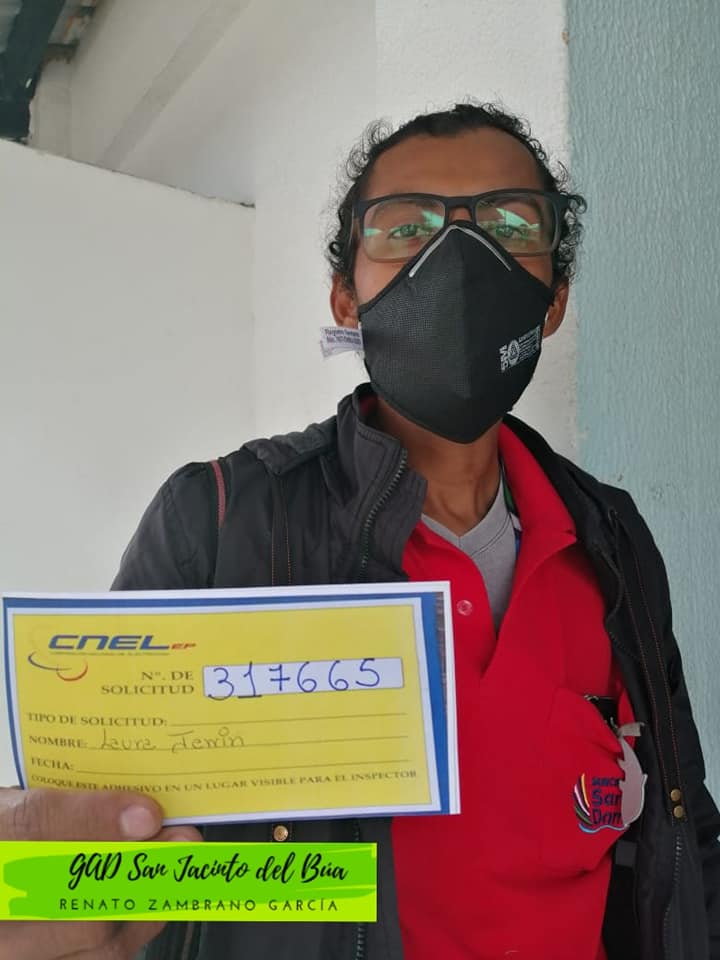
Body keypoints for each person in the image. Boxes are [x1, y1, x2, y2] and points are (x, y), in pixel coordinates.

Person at [2, 101, 717, 960]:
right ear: (347, 296)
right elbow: (99, 855)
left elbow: (686, 831)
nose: (459, 258)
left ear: (554, 298)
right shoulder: (221, 520)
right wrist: (41, 891)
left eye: (509, 224)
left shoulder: (611, 537)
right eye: (405, 228)